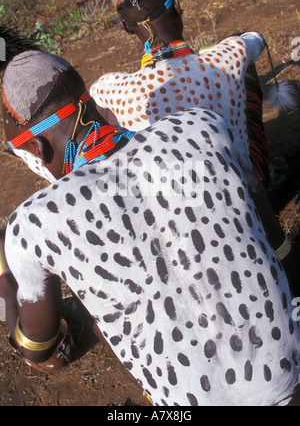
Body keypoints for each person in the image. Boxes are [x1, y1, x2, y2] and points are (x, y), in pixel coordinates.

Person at [0, 26, 300, 406]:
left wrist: (6, 276)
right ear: (90, 101)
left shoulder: (34, 224)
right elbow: (275, 244)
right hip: (290, 381)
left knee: (100, 321)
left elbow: (41, 349)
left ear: (37, 149)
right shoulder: (202, 127)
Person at [91, 0, 270, 189]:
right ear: (176, 3)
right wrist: (199, 56)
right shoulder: (228, 57)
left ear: (125, 27)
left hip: (180, 214)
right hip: (246, 202)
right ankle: (266, 180)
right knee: (244, 74)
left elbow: (92, 94)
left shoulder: (111, 89)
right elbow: (255, 39)